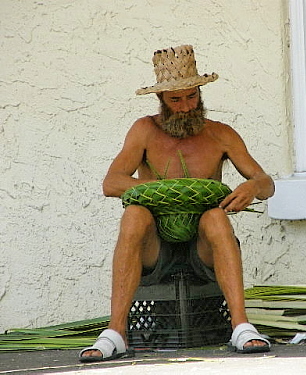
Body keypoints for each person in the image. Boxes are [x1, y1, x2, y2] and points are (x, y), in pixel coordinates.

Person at [79, 45, 275, 362]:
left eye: (192, 97)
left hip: (203, 246)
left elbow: (267, 184)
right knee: (134, 214)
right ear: (161, 101)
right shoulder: (144, 130)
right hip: (155, 249)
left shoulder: (221, 134)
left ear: (200, 93)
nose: (185, 107)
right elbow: (111, 182)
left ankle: (241, 327)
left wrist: (252, 186)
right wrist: (162, 190)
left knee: (214, 217)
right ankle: (116, 333)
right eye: (175, 100)